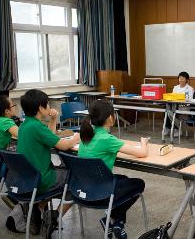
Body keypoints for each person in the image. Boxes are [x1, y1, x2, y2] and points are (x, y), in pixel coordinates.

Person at [79, 99, 148, 239]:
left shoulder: (85, 136)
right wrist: (143, 142)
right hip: (100, 192)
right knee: (139, 183)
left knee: (124, 180)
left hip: (83, 188)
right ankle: (117, 221)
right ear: (111, 118)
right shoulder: (107, 139)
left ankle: (114, 222)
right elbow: (142, 153)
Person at [17, 89, 80, 237]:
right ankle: (54, 217)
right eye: (47, 104)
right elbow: (64, 146)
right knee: (76, 180)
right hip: (42, 179)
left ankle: (38, 207)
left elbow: (50, 138)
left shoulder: (25, 126)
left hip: (27, 179)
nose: (49, 107)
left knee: (64, 172)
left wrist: (53, 120)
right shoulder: (36, 127)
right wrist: (77, 137)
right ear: (40, 107)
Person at [164, 71, 195, 136]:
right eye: (179, 77)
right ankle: (171, 128)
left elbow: (190, 99)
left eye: (183, 78)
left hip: (184, 107)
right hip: (175, 106)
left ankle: (174, 128)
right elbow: (172, 97)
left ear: (187, 80)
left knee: (169, 112)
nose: (180, 79)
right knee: (168, 110)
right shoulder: (175, 87)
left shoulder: (190, 88)